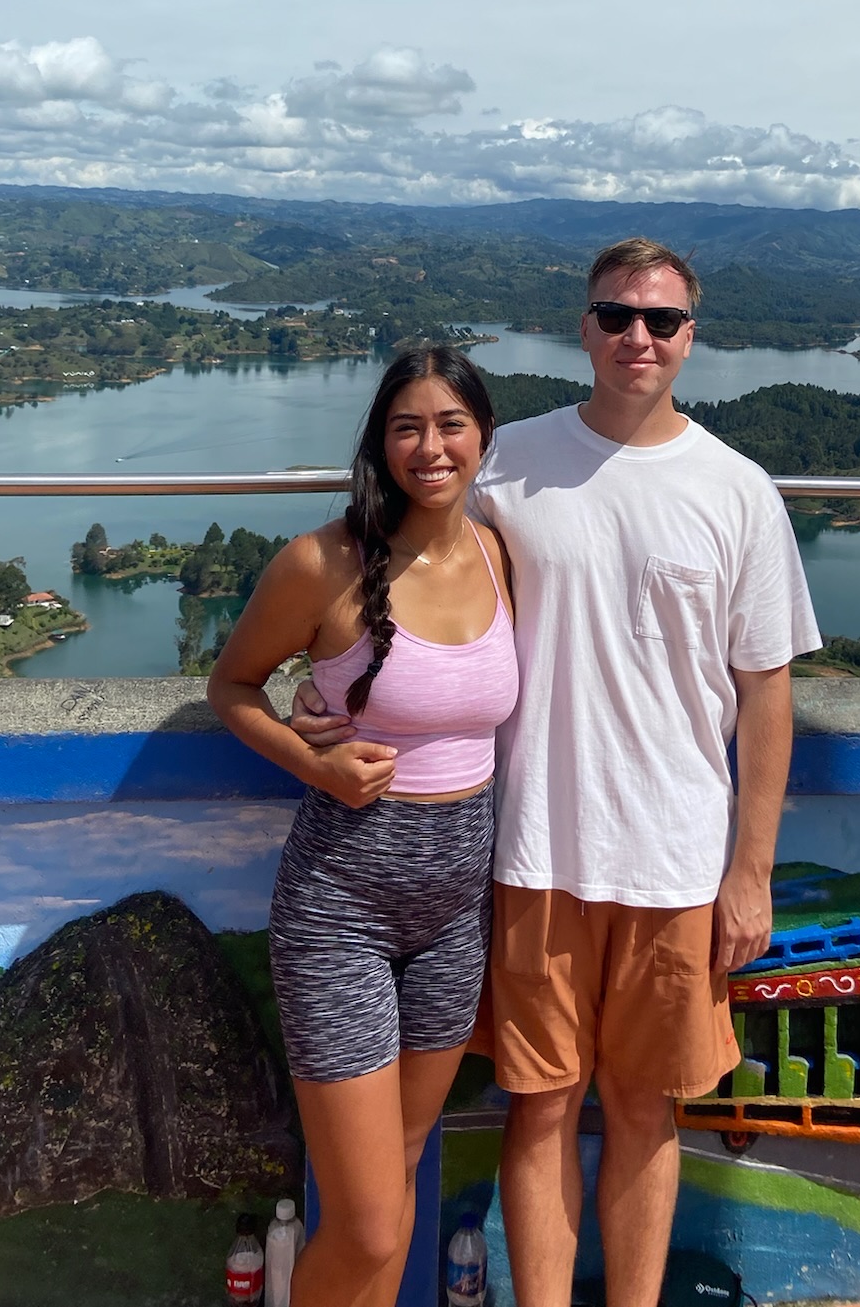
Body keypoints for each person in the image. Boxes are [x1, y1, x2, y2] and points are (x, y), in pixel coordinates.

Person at [293, 239, 821, 1307]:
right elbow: (405, 567)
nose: (637, 337)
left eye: (660, 320)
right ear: (584, 328)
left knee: (644, 1109)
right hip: (533, 848)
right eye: (616, 315)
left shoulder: (737, 491)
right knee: (538, 1105)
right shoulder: (509, 464)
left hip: (676, 860)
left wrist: (750, 870)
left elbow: (766, 691)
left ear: (689, 337)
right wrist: (329, 685)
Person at [207, 345, 518, 1307]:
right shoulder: (322, 561)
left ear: (483, 436)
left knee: (404, 1170)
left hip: (453, 918)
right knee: (372, 1222)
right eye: (405, 427)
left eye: (451, 424)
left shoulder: (499, 553)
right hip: (342, 910)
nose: (430, 447)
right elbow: (232, 686)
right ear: (379, 443)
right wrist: (316, 763)